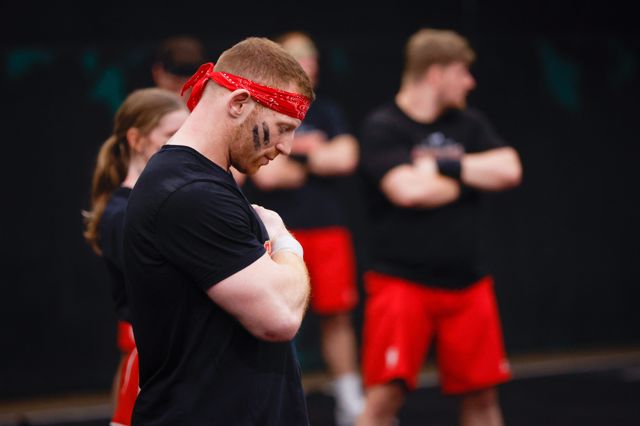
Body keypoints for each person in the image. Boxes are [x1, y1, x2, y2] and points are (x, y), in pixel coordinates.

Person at [122, 37, 315, 425]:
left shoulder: (203, 181)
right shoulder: (189, 192)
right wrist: (286, 243)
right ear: (239, 103)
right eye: (282, 127)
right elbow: (280, 317)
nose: (287, 147)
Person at [357, 28, 522, 426]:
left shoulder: (469, 123)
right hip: (401, 283)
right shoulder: (384, 126)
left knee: (482, 396)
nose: (470, 82)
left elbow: (509, 169)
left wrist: (442, 166)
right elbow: (409, 191)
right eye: (462, 72)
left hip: (467, 285)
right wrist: (470, 178)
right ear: (436, 74)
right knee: (384, 397)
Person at [243, 31, 363, 426]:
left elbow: (346, 158)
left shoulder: (328, 110)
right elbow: (268, 176)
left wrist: (297, 159)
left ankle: (351, 404)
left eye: (311, 56)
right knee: (276, 319)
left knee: (337, 316)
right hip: (277, 233)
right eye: (298, 56)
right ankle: (274, 404)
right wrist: (317, 156)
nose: (308, 63)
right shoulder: (263, 112)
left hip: (327, 229)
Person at [83, 87, 189, 426]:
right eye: (171, 134)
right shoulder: (122, 213)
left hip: (176, 357)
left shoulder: (167, 199)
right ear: (136, 139)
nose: (182, 143)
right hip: (153, 361)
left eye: (185, 133)